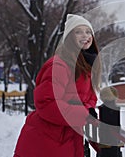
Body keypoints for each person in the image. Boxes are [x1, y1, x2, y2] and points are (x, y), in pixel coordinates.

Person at [14, 14, 101, 157]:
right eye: (78, 31)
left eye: (88, 31)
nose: (85, 35)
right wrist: (83, 115)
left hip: (67, 141)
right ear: (69, 38)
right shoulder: (60, 65)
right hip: (46, 143)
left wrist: (103, 141)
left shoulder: (87, 68)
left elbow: (87, 110)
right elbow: (46, 104)